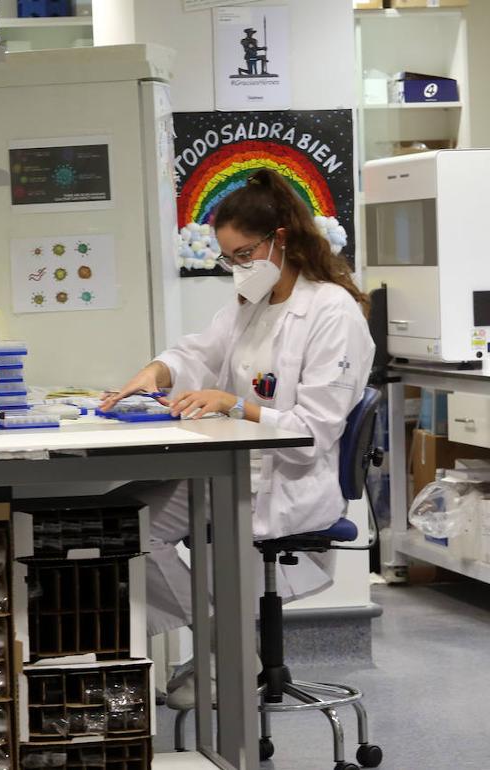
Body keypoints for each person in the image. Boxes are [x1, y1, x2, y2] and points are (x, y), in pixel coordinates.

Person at [101, 168, 373, 708]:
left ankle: (223, 650)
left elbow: (314, 431)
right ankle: (225, 643)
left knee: (134, 529)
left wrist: (236, 405)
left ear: (283, 238)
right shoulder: (252, 305)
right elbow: (198, 351)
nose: (238, 268)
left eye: (245, 254)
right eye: (230, 258)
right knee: (122, 524)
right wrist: (154, 372)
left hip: (288, 482)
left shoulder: (332, 312)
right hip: (235, 470)